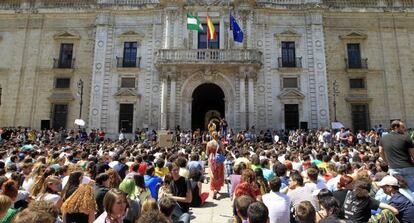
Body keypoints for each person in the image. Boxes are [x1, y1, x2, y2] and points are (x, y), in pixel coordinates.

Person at [379, 120, 414, 191]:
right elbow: (413, 154)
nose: (404, 129)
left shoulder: (383, 138)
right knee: (412, 189)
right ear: (395, 127)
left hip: (394, 169)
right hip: (408, 167)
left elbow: (380, 151)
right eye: (402, 127)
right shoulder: (406, 137)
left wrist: (387, 162)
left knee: (400, 190)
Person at [206, 131, 224, 199]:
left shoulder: (209, 143)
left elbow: (207, 153)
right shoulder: (220, 143)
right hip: (218, 159)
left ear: (212, 136)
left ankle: (214, 189)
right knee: (219, 174)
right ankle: (217, 189)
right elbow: (223, 152)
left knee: (213, 174)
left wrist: (211, 156)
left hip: (211, 159)